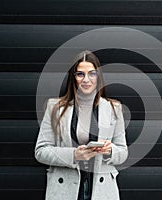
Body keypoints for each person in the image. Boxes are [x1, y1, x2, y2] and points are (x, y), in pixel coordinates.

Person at [35, 50, 128, 200]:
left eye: (92, 73)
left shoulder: (113, 108)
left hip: (102, 190)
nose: (86, 79)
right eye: (80, 74)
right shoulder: (55, 108)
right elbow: (41, 151)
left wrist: (109, 150)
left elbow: (123, 152)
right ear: (73, 78)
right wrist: (74, 155)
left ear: (98, 77)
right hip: (64, 188)